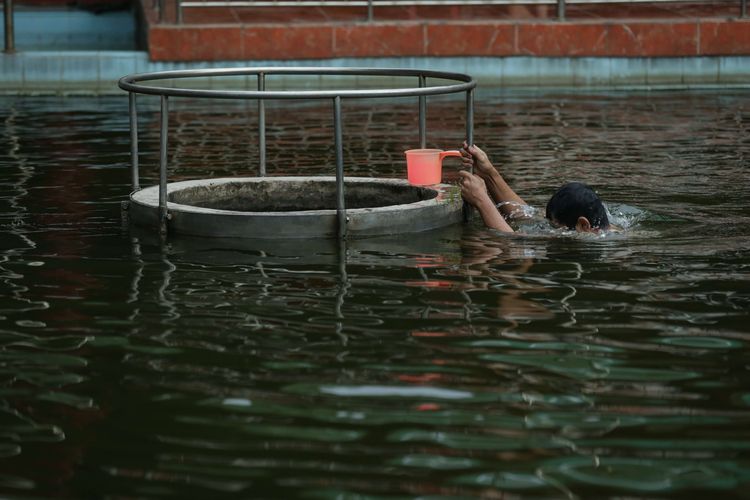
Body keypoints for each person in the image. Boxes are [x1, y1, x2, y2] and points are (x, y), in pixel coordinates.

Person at [457, 143, 610, 234]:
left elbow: (513, 241)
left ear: (583, 225)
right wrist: (489, 173)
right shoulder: (596, 228)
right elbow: (527, 214)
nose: (548, 228)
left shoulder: (598, 243)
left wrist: (481, 200)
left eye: (554, 226)